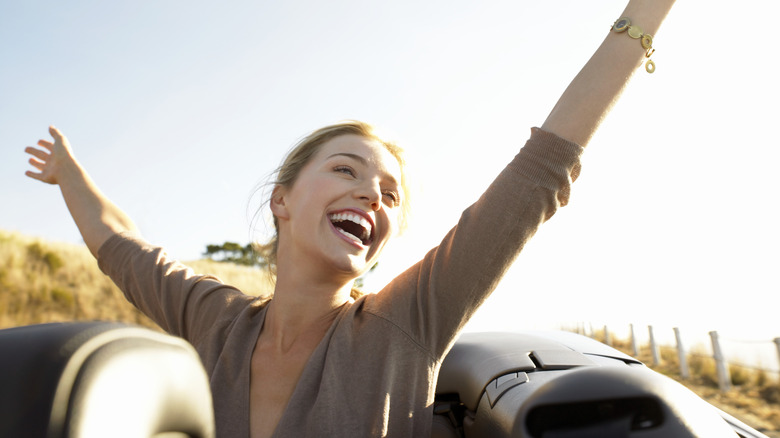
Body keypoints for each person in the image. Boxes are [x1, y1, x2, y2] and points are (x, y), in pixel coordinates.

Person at [24, 1, 675, 437]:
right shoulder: (215, 321)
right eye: (346, 170)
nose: (373, 195)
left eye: (392, 194)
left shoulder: (405, 322)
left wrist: (644, 15)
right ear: (282, 199)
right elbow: (120, 245)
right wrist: (69, 176)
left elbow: (539, 173)